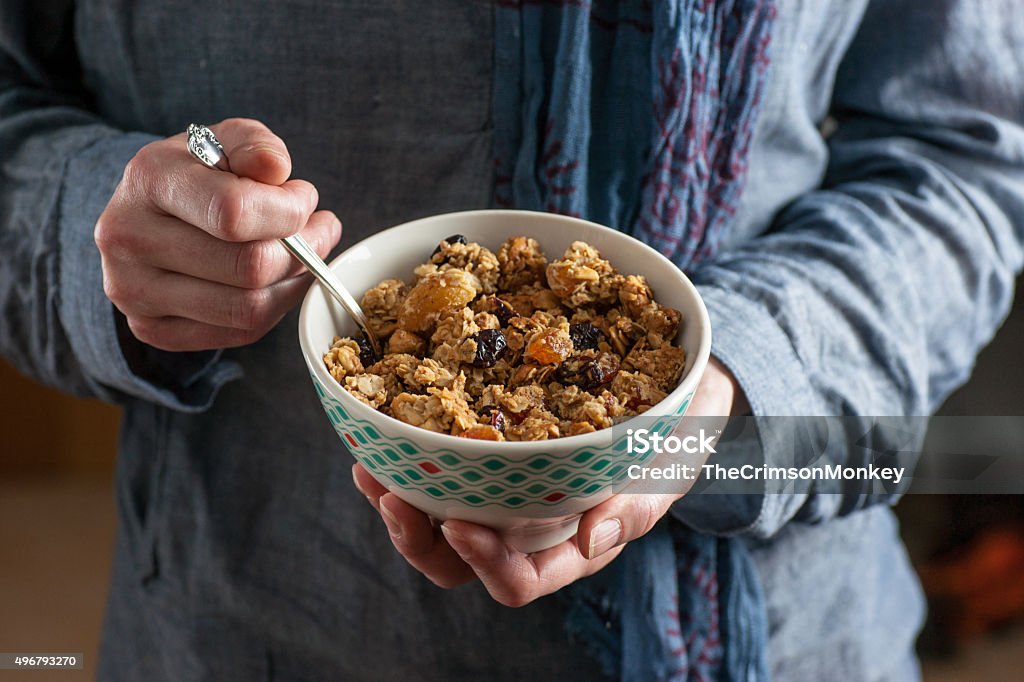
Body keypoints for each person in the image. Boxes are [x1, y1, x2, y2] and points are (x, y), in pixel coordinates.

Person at [2, 1, 1022, 680]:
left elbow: (966, 160)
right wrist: (103, 222)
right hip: (256, 623)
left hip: (793, 633)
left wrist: (718, 386)